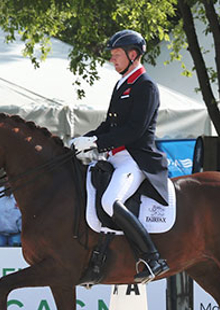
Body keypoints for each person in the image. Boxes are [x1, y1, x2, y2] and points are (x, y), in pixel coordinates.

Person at [68, 29, 169, 282]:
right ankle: (96, 260)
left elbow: (134, 130)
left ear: (133, 55)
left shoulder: (145, 86)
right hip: (114, 157)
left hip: (135, 159)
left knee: (109, 201)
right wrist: (87, 139)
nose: (112, 59)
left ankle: (153, 257)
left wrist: (97, 142)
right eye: (112, 55)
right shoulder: (122, 84)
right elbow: (110, 126)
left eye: (116, 55)